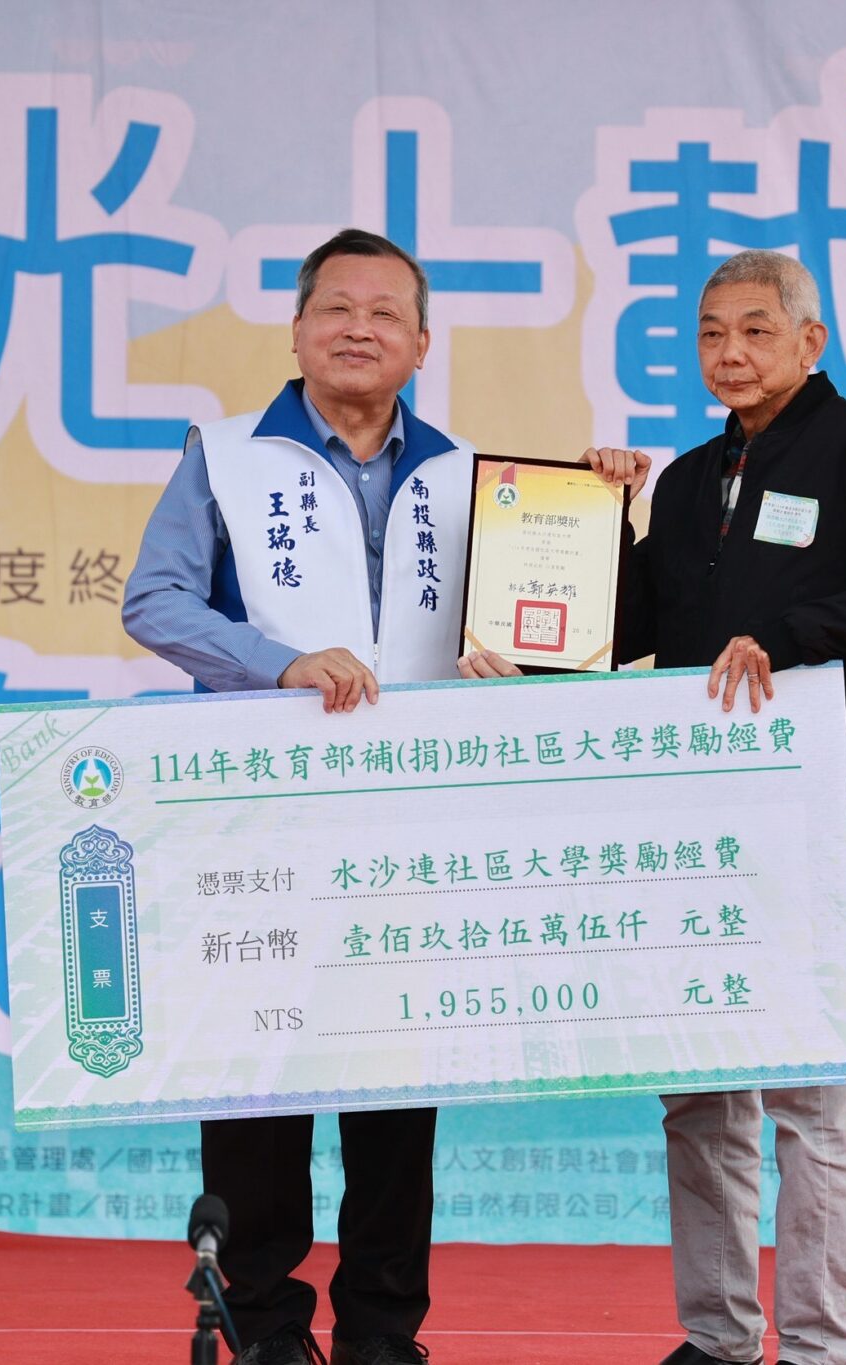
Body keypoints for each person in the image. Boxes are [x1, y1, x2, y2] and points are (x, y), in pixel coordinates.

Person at [586, 249, 846, 1365]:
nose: (731, 353)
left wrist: (797, 638)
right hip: (684, 806)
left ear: (810, 342)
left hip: (799, 804)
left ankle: (814, 1346)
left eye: (756, 331)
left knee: (807, 1095)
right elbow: (624, 630)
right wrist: (598, 518)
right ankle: (717, 1337)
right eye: (712, 333)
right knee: (700, 1092)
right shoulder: (684, 479)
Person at [124, 228, 507, 1365]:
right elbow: (155, 601)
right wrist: (277, 662)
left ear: (421, 344)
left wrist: (588, 525)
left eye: (386, 313)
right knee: (258, 1081)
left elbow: (527, 623)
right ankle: (266, 1332)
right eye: (336, 308)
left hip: (408, 829)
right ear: (296, 331)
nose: (359, 329)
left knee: (396, 1099)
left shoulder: (465, 475)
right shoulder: (226, 457)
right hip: (260, 826)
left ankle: (385, 1334)